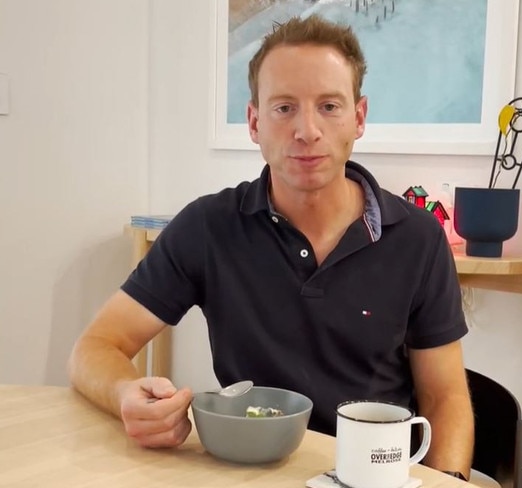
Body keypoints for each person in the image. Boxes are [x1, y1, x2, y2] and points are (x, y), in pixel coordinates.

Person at [68, 14, 474, 481]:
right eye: (284, 108)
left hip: (370, 474)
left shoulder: (418, 239)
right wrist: (125, 394)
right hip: (248, 470)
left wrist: (448, 479)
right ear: (254, 122)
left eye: (328, 106)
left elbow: (445, 397)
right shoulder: (207, 226)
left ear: (358, 118)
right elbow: (94, 347)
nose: (307, 130)